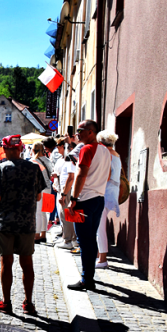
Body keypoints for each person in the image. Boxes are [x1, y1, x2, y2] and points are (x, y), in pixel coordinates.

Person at [0, 135, 47, 315]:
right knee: (27, 263)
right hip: (27, 222)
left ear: (4, 150)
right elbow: (38, 196)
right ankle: (28, 303)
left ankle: (6, 302)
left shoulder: (0, 169)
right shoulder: (34, 168)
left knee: (6, 262)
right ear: (20, 148)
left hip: (5, 222)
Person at [67, 120, 112, 291]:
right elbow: (107, 176)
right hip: (98, 199)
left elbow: (81, 175)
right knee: (90, 239)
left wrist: (74, 198)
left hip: (84, 199)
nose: (77, 133)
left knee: (85, 241)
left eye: (80, 130)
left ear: (91, 132)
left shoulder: (87, 149)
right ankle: (89, 275)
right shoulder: (105, 151)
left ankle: (87, 279)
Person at [96, 130, 122, 269]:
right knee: (100, 225)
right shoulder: (116, 155)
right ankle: (100, 255)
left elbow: (105, 176)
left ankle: (102, 258)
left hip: (105, 191)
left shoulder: (107, 155)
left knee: (99, 227)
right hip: (112, 191)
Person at [56, 143, 78, 250]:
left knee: (66, 215)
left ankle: (68, 240)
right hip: (68, 188)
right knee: (67, 214)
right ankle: (71, 239)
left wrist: (64, 194)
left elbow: (71, 178)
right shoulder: (70, 159)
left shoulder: (71, 158)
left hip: (68, 189)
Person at [30, 142, 53, 243]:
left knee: (38, 212)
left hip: (38, 188)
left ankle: (37, 235)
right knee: (44, 212)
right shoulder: (48, 160)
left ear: (33, 150)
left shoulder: (33, 161)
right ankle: (43, 234)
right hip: (48, 187)